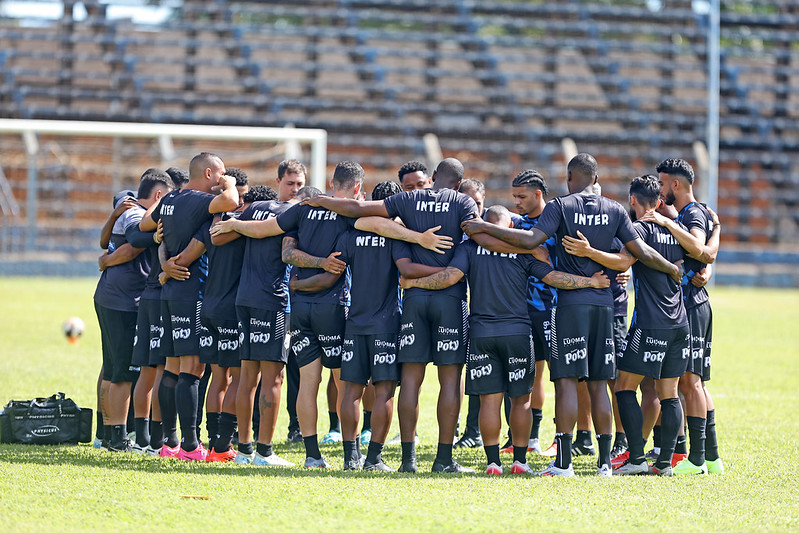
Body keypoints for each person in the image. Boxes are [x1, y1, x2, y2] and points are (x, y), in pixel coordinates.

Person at [210, 161, 453, 468]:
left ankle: (313, 456)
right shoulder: (349, 213)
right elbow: (374, 226)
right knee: (348, 383)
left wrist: (235, 225)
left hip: (299, 308)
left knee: (308, 383)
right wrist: (417, 238)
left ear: (331, 182)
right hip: (337, 309)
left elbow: (269, 232)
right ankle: (356, 455)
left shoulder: (303, 209)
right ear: (356, 189)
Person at [460, 153, 682, 477]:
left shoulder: (560, 206)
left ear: (568, 179)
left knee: (566, 382)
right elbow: (638, 254)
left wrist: (482, 227)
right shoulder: (616, 209)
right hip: (605, 305)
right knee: (599, 383)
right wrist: (671, 269)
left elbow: (532, 240)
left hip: (570, 305)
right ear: (595, 179)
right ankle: (605, 463)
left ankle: (564, 464)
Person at [301, 158, 480, 473]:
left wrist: (321, 201)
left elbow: (357, 214)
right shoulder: (461, 202)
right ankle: (442, 459)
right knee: (448, 380)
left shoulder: (407, 203)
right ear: (456, 183)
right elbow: (475, 231)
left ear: (433, 177)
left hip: (409, 303)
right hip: (446, 302)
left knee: (408, 380)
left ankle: (405, 460)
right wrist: (453, 270)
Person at [402, 205, 610, 475]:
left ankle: (492, 463)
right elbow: (553, 277)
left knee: (490, 400)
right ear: (510, 228)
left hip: (481, 334)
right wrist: (590, 282)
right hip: (518, 333)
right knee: (521, 400)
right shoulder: (522, 252)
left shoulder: (469, 249)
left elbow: (449, 277)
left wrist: (414, 283)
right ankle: (520, 462)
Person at [290, 180, 444, 471]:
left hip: (354, 323)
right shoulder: (399, 237)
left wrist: (297, 285)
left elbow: (331, 274)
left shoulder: (350, 235)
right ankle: (373, 458)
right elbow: (405, 271)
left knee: (351, 391)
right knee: (384, 391)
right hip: (386, 323)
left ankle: (351, 458)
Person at [561, 175, 690, 476]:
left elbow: (622, 262)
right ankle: (665, 463)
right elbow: (695, 258)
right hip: (679, 322)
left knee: (623, 386)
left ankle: (635, 458)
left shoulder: (638, 230)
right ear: (658, 202)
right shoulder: (677, 231)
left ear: (632, 201)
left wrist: (589, 252)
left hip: (651, 322)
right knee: (668, 392)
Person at [140, 152, 239, 460]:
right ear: (209, 173)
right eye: (220, 173)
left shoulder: (170, 199)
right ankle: (190, 445)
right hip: (191, 290)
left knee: (171, 366)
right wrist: (231, 183)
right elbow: (231, 201)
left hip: (170, 292)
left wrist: (164, 258)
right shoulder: (198, 199)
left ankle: (168, 444)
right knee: (192, 368)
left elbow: (147, 223)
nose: (223, 178)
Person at [641, 158, 723, 475]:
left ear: (675, 184)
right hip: (693, 303)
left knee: (689, 382)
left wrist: (667, 225)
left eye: (662, 183)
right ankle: (710, 458)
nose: (659, 190)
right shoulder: (691, 213)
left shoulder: (691, 214)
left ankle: (697, 460)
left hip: (691, 305)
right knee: (693, 382)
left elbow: (700, 249)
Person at [94, 184, 150, 452]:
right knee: (123, 372)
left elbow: (104, 244)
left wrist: (106, 260)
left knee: (112, 367)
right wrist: (108, 261)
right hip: (124, 301)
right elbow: (132, 248)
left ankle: (106, 434)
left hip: (108, 296)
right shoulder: (136, 214)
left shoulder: (125, 211)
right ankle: (117, 438)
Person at [125, 170, 176, 453]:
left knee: (147, 369)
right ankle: (156, 440)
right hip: (159, 296)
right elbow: (135, 235)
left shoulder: (153, 216)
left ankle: (143, 437)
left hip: (148, 295)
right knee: (158, 369)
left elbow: (134, 235)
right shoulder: (172, 211)